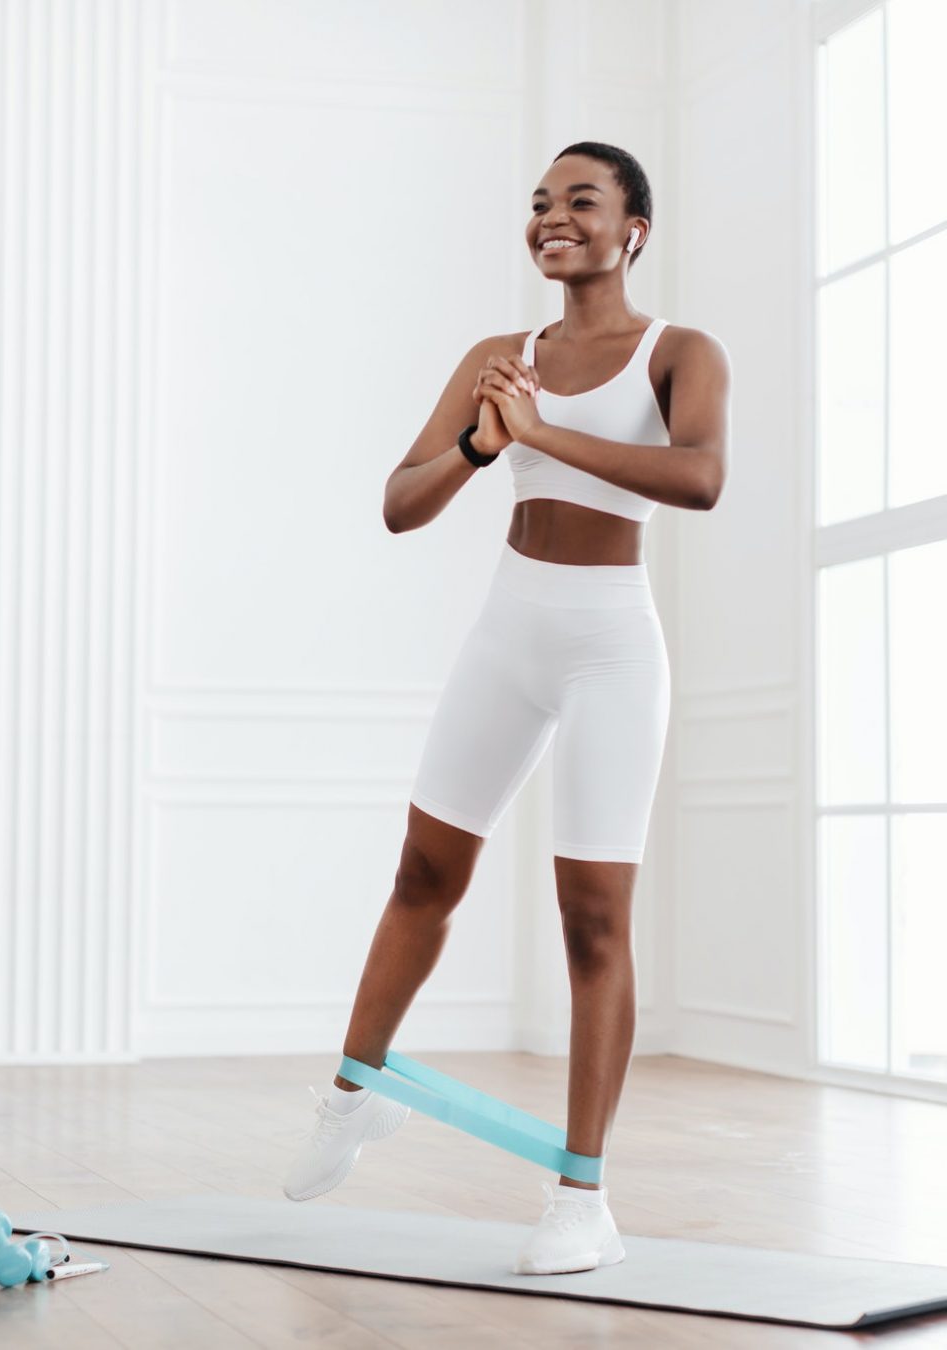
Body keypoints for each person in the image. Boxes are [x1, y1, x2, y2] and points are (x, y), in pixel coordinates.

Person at [284, 140, 731, 1276]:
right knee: (422, 875)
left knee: (592, 919)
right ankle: (353, 1096)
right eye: (539, 204)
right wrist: (487, 445)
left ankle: (582, 1196)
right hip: (509, 629)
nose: (551, 217)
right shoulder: (498, 359)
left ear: (634, 228)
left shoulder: (679, 351)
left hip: (611, 644)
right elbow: (400, 502)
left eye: (580, 201)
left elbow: (699, 479)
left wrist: (541, 435)